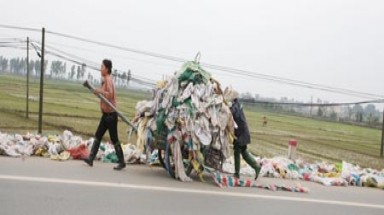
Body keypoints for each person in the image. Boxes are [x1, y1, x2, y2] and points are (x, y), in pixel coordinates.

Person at [83, 59, 126, 170]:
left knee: (114, 138)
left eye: (102, 67)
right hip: (106, 115)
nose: (100, 69)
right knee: (98, 135)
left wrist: (100, 91)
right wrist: (99, 92)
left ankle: (121, 161)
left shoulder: (108, 79)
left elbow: (110, 95)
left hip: (111, 116)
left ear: (107, 69)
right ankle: (91, 159)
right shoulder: (105, 80)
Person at [229, 90, 261, 180]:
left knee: (237, 152)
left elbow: (235, 114)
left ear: (233, 97)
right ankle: (256, 167)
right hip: (243, 132)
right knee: (244, 152)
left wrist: (228, 109)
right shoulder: (238, 105)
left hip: (241, 134)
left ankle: (236, 174)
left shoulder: (235, 106)